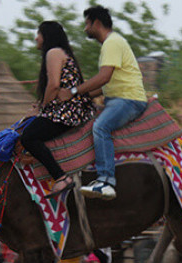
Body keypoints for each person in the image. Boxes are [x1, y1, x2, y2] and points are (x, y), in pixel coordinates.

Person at [58, 5, 148, 200]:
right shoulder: (112, 44)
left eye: (86, 24)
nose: (85, 29)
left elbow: (104, 77)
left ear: (96, 23)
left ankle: (106, 181)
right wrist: (79, 97)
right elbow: (104, 85)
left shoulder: (112, 43)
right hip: (118, 97)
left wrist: (73, 91)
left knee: (100, 127)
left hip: (128, 100)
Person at [20, 21, 96, 197]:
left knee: (28, 137)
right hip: (72, 107)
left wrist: (42, 109)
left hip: (67, 110)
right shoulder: (63, 53)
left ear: (46, 36)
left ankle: (60, 177)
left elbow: (53, 85)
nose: (36, 38)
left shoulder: (53, 53)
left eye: (38, 33)